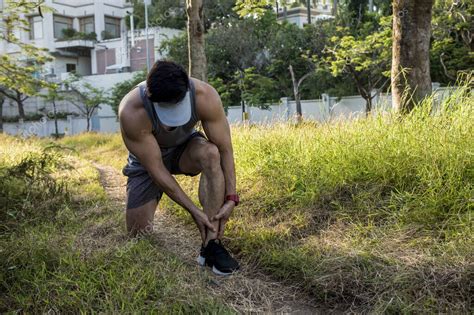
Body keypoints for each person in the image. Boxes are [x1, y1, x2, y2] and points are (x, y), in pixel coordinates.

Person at [118, 60, 239, 276]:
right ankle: (204, 232)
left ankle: (212, 245)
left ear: (186, 90)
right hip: (147, 163)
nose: (168, 125)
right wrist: (193, 211)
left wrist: (231, 197)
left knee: (211, 153)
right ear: (150, 97)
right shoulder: (131, 111)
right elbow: (157, 171)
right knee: (138, 237)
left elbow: (225, 150)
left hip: (184, 149)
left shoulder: (205, 96)